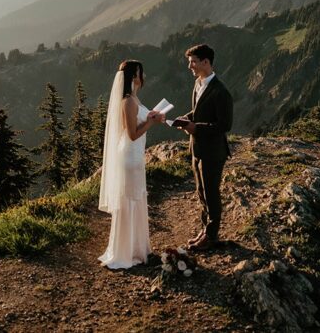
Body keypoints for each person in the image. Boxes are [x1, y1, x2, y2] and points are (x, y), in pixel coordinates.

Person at [97, 59, 165, 269]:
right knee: (129, 201)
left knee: (135, 199)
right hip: (129, 157)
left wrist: (151, 116)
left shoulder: (134, 98)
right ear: (135, 76)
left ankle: (136, 249)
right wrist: (151, 122)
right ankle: (124, 252)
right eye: (141, 73)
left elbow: (137, 123)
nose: (143, 77)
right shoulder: (128, 101)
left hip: (135, 157)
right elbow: (132, 134)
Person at [174, 43, 233, 251]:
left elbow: (225, 125)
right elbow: (199, 111)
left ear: (206, 62)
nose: (190, 66)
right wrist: (187, 119)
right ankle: (204, 231)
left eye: (193, 62)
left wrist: (195, 127)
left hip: (213, 152)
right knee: (201, 192)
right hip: (197, 149)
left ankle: (212, 236)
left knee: (211, 193)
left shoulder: (221, 91)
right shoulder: (199, 84)